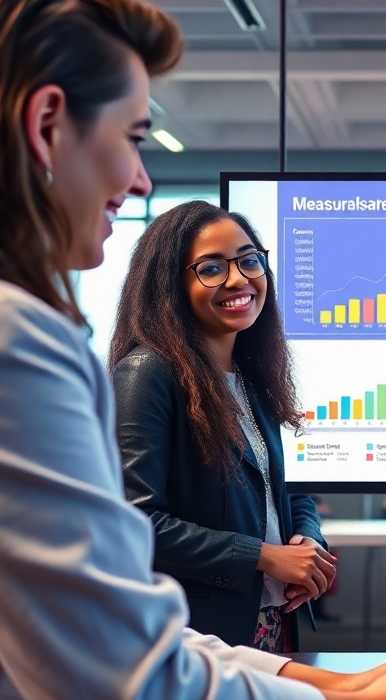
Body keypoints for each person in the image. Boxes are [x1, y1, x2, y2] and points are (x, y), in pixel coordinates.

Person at [0, 0, 386, 700]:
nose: (138, 176)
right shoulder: (15, 341)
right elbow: (137, 698)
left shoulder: (237, 380)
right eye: (133, 138)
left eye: (248, 261)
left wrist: (318, 681)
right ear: (46, 126)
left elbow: (128, 634)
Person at [110, 200, 332, 652]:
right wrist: (265, 557)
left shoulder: (250, 376)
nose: (239, 279)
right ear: (169, 284)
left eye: (249, 260)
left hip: (266, 621)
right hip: (194, 636)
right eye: (211, 268)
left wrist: (307, 540)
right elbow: (135, 521)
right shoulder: (147, 373)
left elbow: (282, 489)